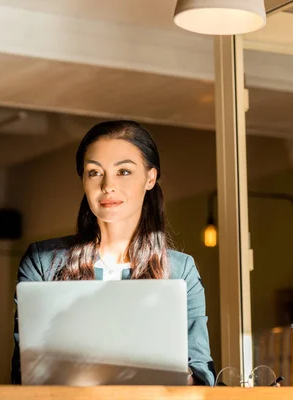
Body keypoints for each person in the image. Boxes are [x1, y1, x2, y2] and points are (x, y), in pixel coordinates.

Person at [11, 120, 215, 386]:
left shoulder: (180, 270)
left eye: (124, 172)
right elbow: (22, 374)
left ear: (150, 178)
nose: (108, 185)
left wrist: (178, 376)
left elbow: (201, 371)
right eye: (94, 172)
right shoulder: (43, 261)